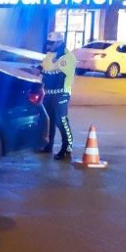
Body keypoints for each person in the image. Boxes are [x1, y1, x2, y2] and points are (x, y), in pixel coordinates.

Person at [38, 31, 77, 160]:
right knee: (50, 121)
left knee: (62, 122)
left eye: (52, 43)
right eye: (48, 42)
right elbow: (42, 67)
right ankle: (48, 146)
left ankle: (67, 148)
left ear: (59, 42)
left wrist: (44, 74)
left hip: (61, 94)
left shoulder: (67, 57)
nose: (49, 45)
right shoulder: (50, 54)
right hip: (48, 94)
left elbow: (59, 75)